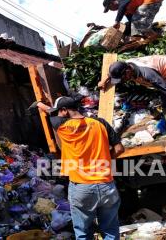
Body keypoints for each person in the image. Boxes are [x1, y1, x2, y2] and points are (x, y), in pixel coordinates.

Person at [29, 96, 125, 239]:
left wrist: (39, 104)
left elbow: (50, 112)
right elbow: (119, 149)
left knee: (83, 232)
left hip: (82, 188)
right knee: (110, 230)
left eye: (59, 111)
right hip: (106, 185)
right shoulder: (100, 123)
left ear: (64, 111)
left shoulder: (61, 126)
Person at [98, 55, 166, 139]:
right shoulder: (126, 66)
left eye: (123, 78)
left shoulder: (147, 74)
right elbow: (113, 72)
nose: (123, 81)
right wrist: (104, 81)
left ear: (128, 71)